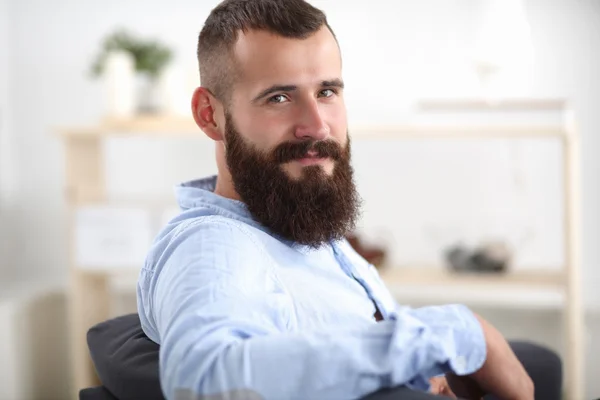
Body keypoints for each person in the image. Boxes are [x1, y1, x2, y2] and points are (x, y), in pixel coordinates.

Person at [136, 0, 540, 399]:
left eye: (327, 92)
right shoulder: (215, 246)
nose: (316, 126)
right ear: (209, 115)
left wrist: (426, 375)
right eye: (279, 97)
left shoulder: (290, 221)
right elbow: (202, 382)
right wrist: (454, 331)